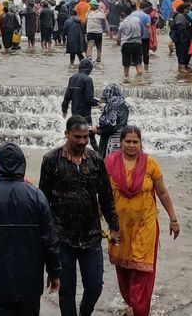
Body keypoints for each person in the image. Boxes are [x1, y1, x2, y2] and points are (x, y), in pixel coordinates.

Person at [0, 142, 61, 316]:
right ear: (22, 165)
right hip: (29, 282)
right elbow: (49, 241)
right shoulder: (37, 196)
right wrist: (54, 272)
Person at [40, 116, 120, 316]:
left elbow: (106, 196)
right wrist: (45, 233)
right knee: (66, 291)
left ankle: (84, 312)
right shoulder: (51, 160)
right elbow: (43, 199)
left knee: (95, 286)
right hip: (62, 236)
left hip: (91, 235)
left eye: (85, 136)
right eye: (77, 136)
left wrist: (114, 225)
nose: (83, 141)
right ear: (66, 134)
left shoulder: (96, 160)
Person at [106, 126, 180, 316]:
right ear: (120, 142)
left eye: (135, 142)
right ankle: (130, 304)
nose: (131, 145)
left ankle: (140, 311)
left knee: (141, 271)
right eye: (127, 141)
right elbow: (102, 195)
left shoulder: (150, 164)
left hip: (145, 226)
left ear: (141, 143)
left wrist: (173, 219)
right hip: (119, 227)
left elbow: (162, 192)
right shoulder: (109, 163)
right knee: (123, 270)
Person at [96, 83, 130, 155]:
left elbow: (110, 126)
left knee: (109, 162)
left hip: (110, 141)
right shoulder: (124, 104)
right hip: (122, 138)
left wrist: (98, 130)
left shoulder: (112, 106)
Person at [119, 5, 145, 80]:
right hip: (137, 44)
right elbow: (142, 32)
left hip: (126, 45)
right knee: (138, 63)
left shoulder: (122, 23)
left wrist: (119, 43)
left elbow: (118, 38)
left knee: (126, 64)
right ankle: (139, 80)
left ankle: (126, 79)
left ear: (123, 13)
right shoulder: (137, 19)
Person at [170, 4, 192, 72]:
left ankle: (181, 68)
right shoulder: (180, 16)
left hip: (182, 38)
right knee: (182, 52)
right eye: (186, 9)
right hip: (181, 38)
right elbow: (181, 27)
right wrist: (188, 36)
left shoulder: (184, 16)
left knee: (182, 52)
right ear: (182, 9)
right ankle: (182, 69)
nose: (187, 10)